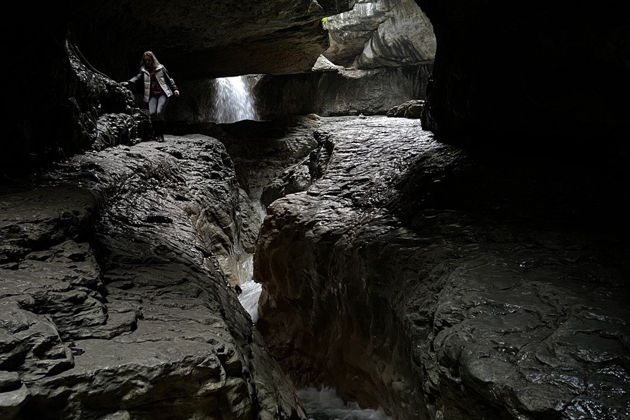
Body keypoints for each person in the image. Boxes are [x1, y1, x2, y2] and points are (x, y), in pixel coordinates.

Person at [121, 51, 179, 141]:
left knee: (159, 112)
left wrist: (175, 88)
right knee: (152, 114)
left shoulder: (161, 68)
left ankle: (160, 135)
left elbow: (169, 79)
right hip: (152, 95)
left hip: (163, 93)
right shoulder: (144, 70)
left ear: (153, 59)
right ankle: (156, 134)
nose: (148, 62)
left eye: (149, 60)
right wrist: (128, 82)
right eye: (146, 60)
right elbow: (137, 77)